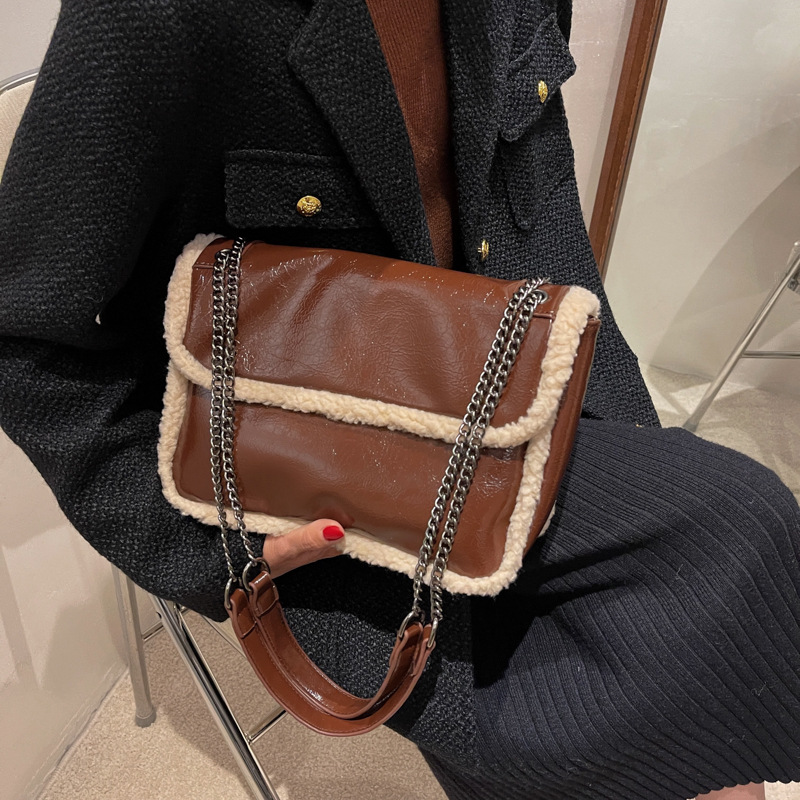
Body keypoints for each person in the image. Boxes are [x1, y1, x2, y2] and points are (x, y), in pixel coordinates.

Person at [0, 0, 798, 798]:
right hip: (324, 496)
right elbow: (23, 339)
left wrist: (618, 421)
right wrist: (209, 556)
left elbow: (536, 195)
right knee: (593, 713)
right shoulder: (161, 13)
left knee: (738, 555)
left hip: (513, 403)